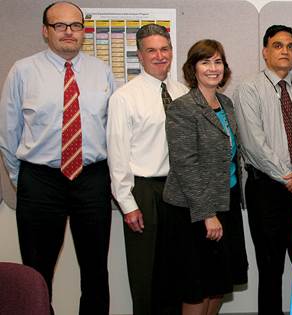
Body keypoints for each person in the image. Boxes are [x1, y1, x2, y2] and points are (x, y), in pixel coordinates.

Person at [0, 2, 115, 313]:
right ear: (45, 31)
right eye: (59, 26)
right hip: (40, 181)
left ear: (83, 31)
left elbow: (113, 130)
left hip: (91, 178)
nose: (69, 32)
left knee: (95, 270)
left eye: (75, 26)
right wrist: (22, 178)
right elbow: (8, 133)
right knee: (37, 272)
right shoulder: (23, 71)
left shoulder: (102, 71)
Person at [233, 25, 292, 315]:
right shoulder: (248, 89)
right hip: (267, 191)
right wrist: (290, 177)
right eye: (277, 45)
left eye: (290, 46)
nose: (285, 51)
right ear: (265, 51)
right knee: (270, 270)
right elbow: (254, 144)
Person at [107, 23, 188, 315]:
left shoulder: (182, 92)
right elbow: (117, 156)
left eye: (164, 49)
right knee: (145, 273)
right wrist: (128, 204)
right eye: (151, 50)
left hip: (178, 190)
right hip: (144, 190)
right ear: (139, 56)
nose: (159, 56)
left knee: (175, 269)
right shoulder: (124, 98)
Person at [163, 39, 248, 315]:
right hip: (195, 211)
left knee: (218, 284)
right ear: (193, 68)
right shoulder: (182, 108)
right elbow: (185, 164)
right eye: (205, 62)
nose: (213, 68)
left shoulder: (226, 103)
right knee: (196, 286)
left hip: (227, 201)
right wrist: (206, 214)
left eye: (218, 61)